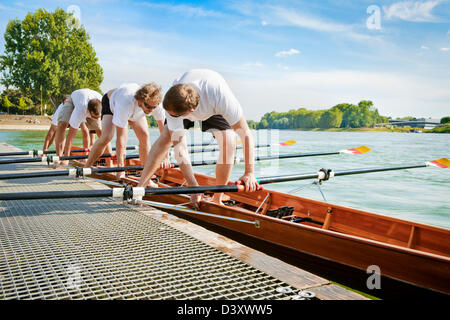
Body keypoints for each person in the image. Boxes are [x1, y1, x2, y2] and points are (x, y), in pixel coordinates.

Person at [137, 69, 258, 206]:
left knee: (229, 143)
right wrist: (193, 185)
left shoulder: (221, 98)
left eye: (174, 115)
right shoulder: (172, 101)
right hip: (182, 103)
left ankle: (217, 199)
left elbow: (246, 134)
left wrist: (249, 172)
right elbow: (180, 149)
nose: (170, 115)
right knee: (166, 138)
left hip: (211, 104)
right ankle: (140, 188)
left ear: (190, 112)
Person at [84, 83, 166, 179]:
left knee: (144, 136)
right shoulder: (125, 103)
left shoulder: (156, 104)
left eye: (154, 107)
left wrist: (166, 156)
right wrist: (120, 169)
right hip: (111, 103)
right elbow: (121, 139)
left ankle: (146, 174)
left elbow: (164, 133)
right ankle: (87, 167)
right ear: (140, 101)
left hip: (134, 109)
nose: (151, 110)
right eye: (148, 106)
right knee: (106, 137)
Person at [53, 88, 103, 166]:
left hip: (91, 100)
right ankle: (59, 157)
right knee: (62, 124)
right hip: (74, 99)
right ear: (88, 112)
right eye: (94, 117)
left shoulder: (105, 105)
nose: (96, 119)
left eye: (98, 117)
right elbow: (71, 135)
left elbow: (105, 137)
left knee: (101, 132)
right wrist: (66, 158)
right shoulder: (80, 111)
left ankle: (87, 158)